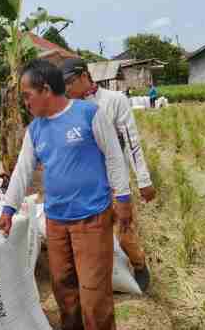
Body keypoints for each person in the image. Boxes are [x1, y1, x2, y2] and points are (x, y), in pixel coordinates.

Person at [0, 59, 132, 330]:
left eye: (27, 96)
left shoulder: (88, 114)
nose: (26, 103)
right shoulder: (35, 129)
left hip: (91, 219)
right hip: (56, 221)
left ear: (45, 89)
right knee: (64, 290)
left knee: (94, 294)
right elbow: (23, 170)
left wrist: (124, 198)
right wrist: (7, 210)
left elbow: (114, 157)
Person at [60, 58, 155, 292]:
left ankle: (139, 265)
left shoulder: (115, 101)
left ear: (84, 76)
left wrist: (143, 180)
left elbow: (132, 143)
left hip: (115, 180)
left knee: (124, 231)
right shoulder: (69, 108)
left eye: (70, 83)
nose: (68, 90)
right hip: (86, 183)